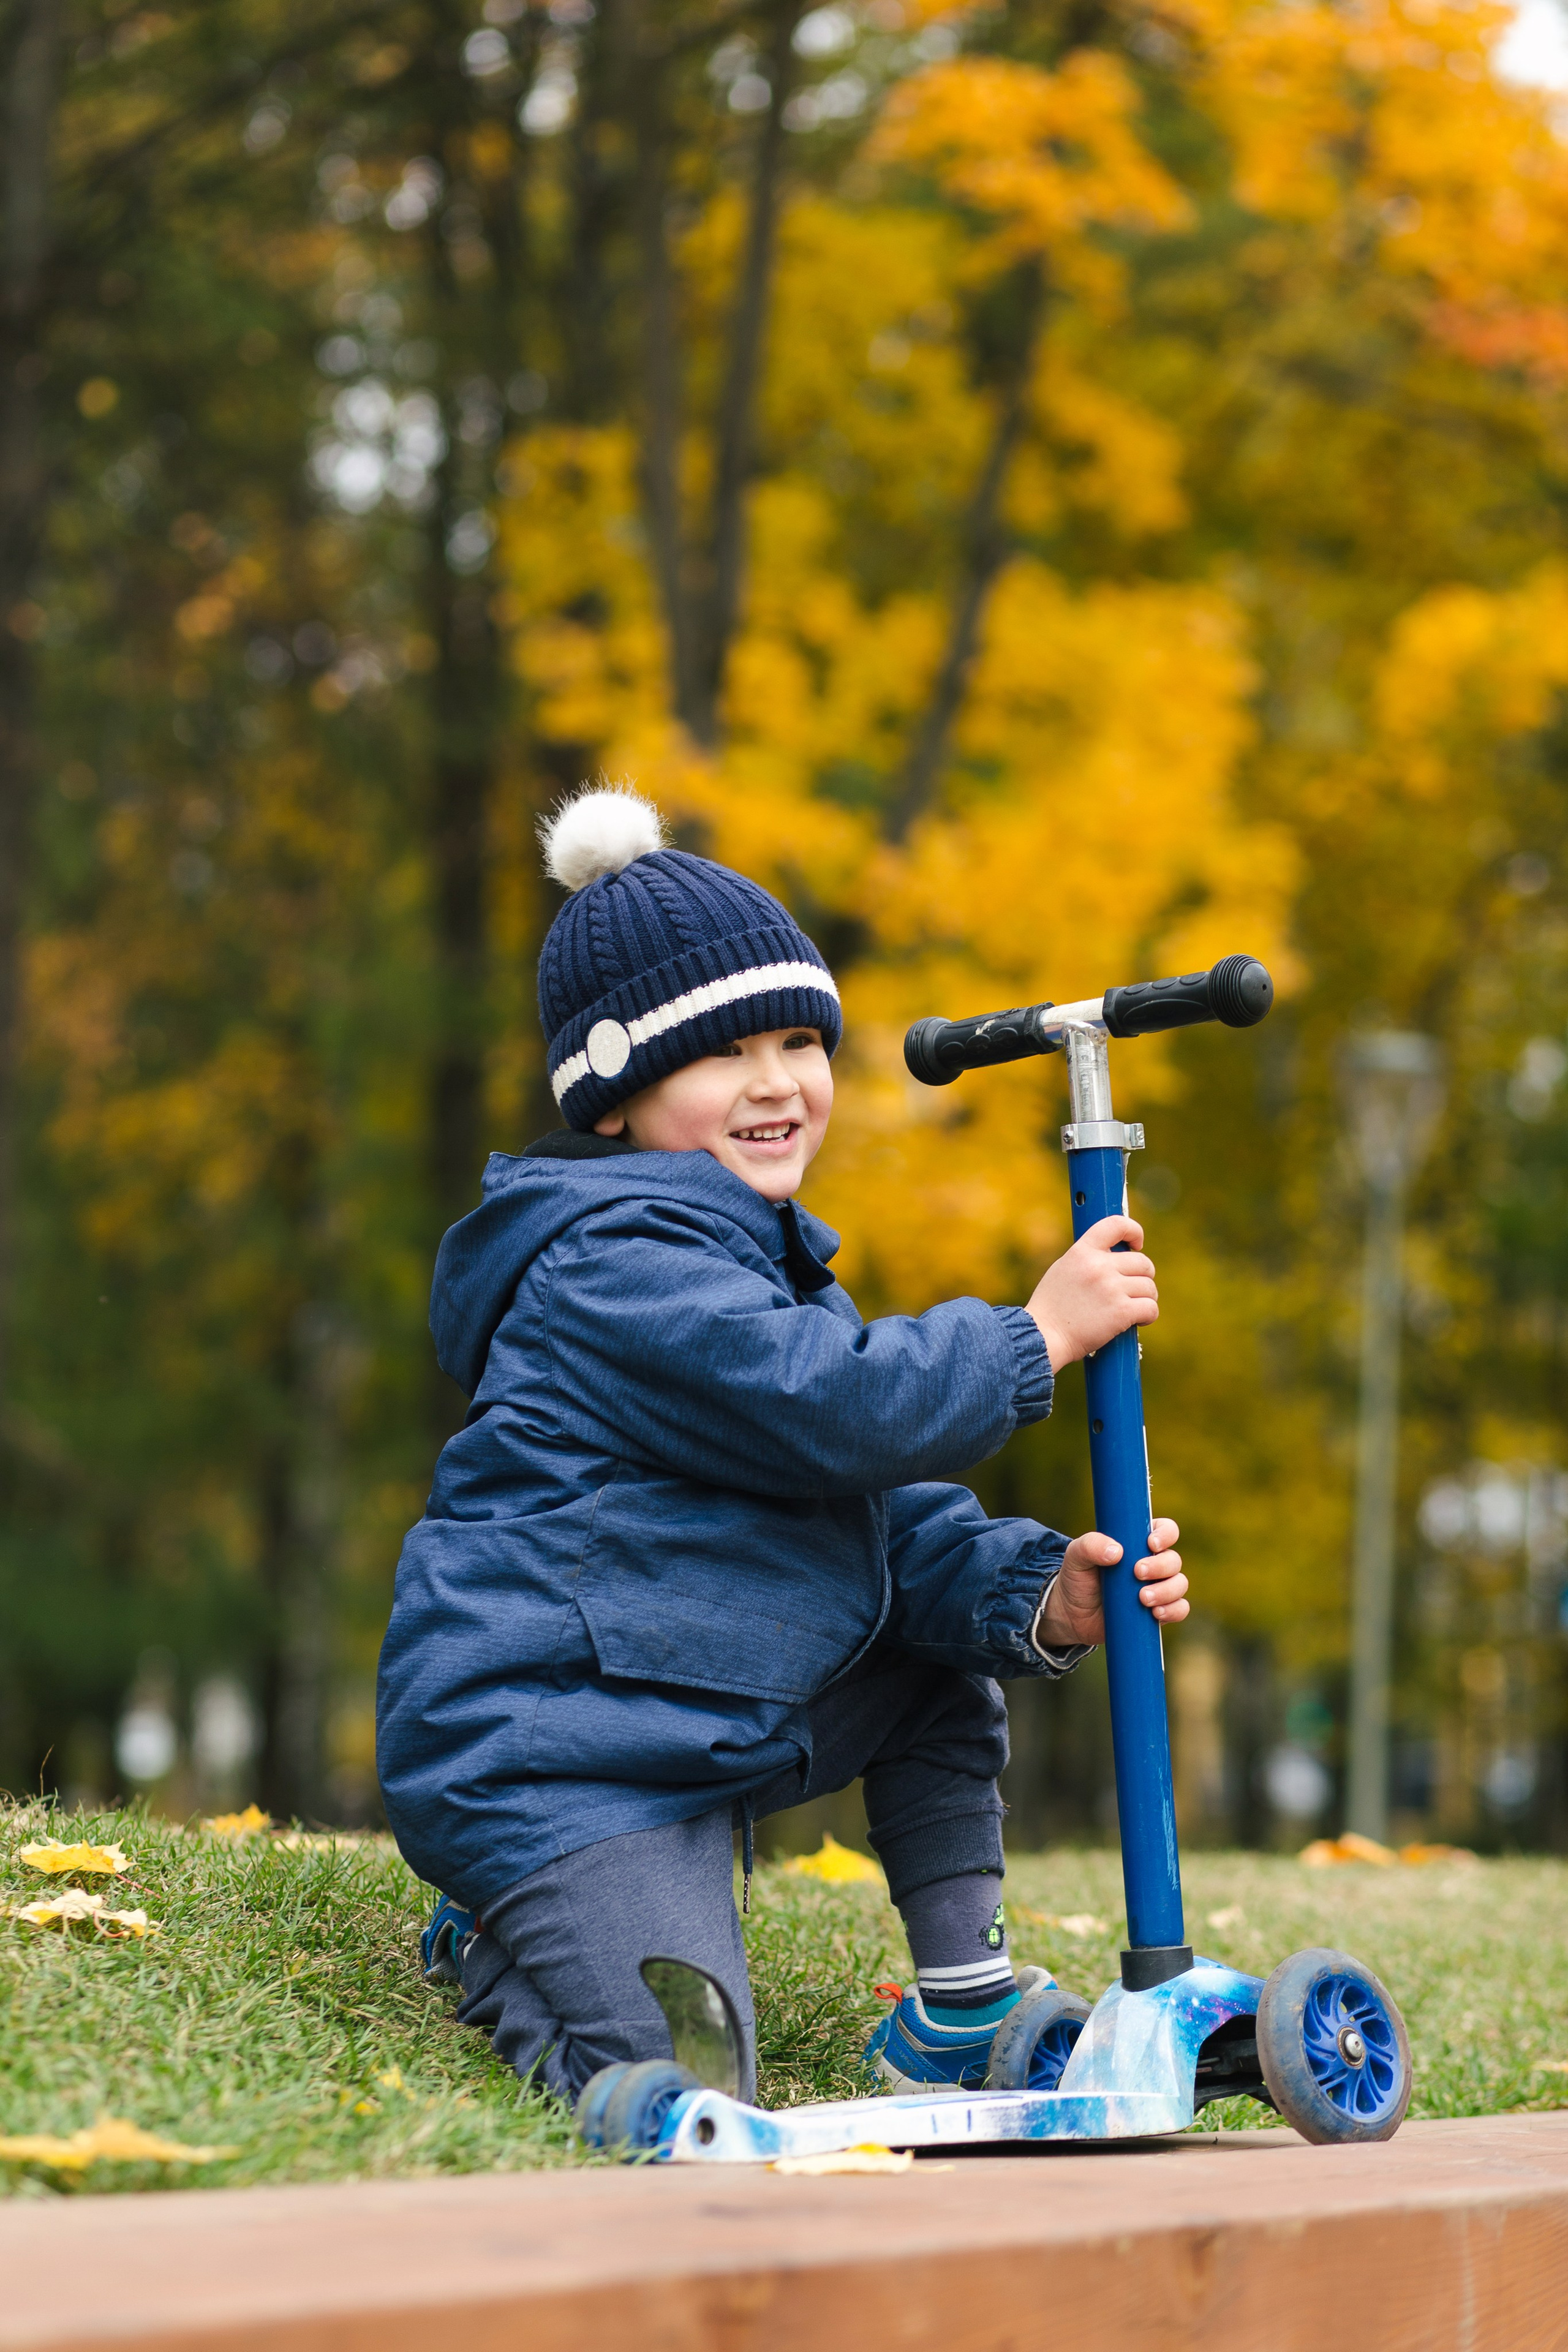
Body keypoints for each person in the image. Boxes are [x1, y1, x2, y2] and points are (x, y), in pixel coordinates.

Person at [375, 785, 1188, 2106]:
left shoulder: (771, 1273)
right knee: (692, 2076)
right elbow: (834, 1405)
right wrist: (1030, 1339)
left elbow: (874, 1512)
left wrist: (1041, 1593)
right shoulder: (614, 1266)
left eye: (798, 1043)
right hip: (554, 1750)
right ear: (614, 1101)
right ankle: (501, 1932)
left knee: (934, 1647)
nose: (776, 1084)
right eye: (723, 1054)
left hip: (689, 1697)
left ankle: (955, 1997)